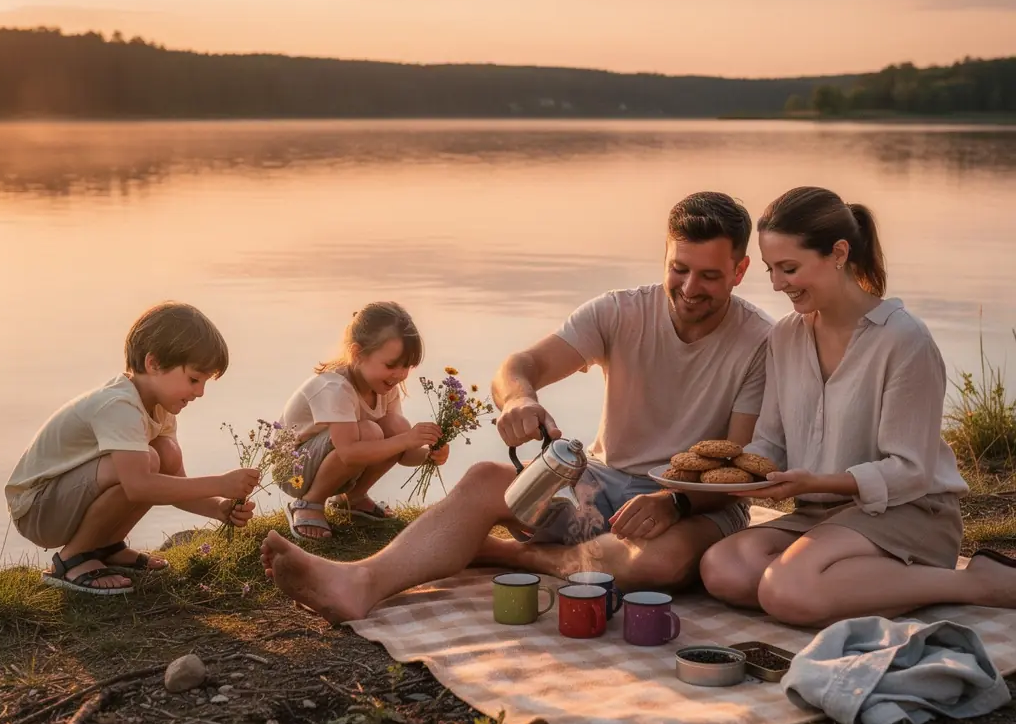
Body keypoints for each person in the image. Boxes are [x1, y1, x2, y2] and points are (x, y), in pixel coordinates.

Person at [260, 191, 774, 621]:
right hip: (603, 483)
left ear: (741, 268)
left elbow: (739, 466)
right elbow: (518, 365)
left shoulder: (759, 341)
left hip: (692, 504)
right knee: (486, 479)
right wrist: (521, 399)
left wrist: (673, 502)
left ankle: (510, 553)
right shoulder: (619, 311)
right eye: (679, 269)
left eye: (709, 276)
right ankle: (360, 582)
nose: (689, 288)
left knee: (656, 565)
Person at [700, 186, 1016, 625]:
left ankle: (978, 582)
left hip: (907, 512)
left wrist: (818, 481)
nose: (776, 284)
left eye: (789, 268)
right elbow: (771, 440)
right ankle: (846, 581)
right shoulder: (785, 337)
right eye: (772, 269)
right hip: (821, 516)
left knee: (785, 590)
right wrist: (730, 477)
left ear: (838, 253)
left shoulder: (904, 340)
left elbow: (910, 470)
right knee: (724, 569)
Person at [5, 302, 259, 595]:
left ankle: (107, 547)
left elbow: (175, 485)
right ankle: (71, 560)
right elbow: (139, 487)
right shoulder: (119, 405)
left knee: (166, 454)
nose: (199, 392)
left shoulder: (162, 409)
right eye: (193, 379)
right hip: (38, 510)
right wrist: (221, 482)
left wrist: (217, 507)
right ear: (154, 364)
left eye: (204, 382)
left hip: (63, 503)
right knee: (146, 463)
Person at [277, 301, 448, 541]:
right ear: (357, 354)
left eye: (407, 366)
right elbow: (349, 453)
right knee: (371, 432)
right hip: (293, 469)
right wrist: (405, 440)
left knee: (396, 426)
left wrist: (428, 455)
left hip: (331, 462)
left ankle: (353, 498)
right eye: (391, 365)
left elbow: (401, 451)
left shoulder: (386, 386)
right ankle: (308, 503)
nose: (399, 374)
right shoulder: (334, 387)